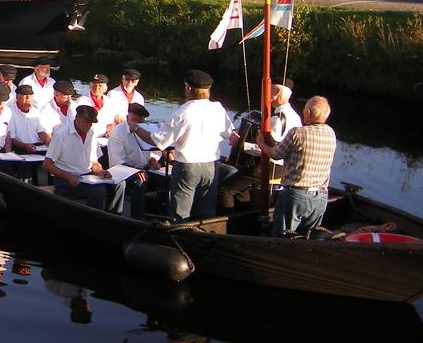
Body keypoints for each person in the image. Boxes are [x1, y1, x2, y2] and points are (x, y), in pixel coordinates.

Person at [143, 70, 234, 222]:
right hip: (211, 165)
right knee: (207, 210)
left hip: (187, 166)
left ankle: (179, 239)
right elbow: (229, 134)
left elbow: (159, 141)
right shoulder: (218, 108)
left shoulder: (183, 113)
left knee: (180, 211)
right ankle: (204, 237)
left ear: (188, 88)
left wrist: (137, 129)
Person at [256, 95, 337, 237]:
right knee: (310, 237)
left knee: (283, 236)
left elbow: (275, 154)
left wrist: (261, 143)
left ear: (308, 113)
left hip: (296, 196)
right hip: (320, 197)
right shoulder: (331, 133)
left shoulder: (297, 133)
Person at [220, 83, 302, 212]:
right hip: (285, 167)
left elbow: (271, 149)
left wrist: (240, 144)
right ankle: (245, 216)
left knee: (225, 189)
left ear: (277, 92)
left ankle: (226, 224)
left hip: (270, 167)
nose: (265, 93)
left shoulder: (277, 120)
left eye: (269, 90)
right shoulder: (295, 116)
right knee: (241, 188)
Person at [43, 105, 125, 213]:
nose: (89, 125)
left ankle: (113, 216)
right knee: (98, 191)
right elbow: (47, 164)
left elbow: (94, 162)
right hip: (65, 180)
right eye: (86, 121)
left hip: (86, 177)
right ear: (77, 118)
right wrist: (68, 177)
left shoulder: (91, 133)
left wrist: (100, 171)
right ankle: (93, 220)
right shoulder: (61, 135)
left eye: (91, 123)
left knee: (119, 184)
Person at [107, 102, 163, 218]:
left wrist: (153, 159)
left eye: (140, 121)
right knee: (140, 180)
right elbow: (117, 163)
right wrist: (136, 171)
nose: (136, 124)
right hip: (124, 171)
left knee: (167, 179)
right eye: (134, 120)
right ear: (127, 118)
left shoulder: (147, 130)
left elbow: (155, 150)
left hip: (146, 168)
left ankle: (159, 214)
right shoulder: (118, 133)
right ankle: (137, 217)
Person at [74, 74, 118, 139]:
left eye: (100, 86)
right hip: (87, 138)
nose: (97, 88)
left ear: (105, 88)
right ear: (90, 86)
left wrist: (112, 126)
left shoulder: (110, 102)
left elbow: (114, 119)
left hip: (106, 138)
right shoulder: (81, 101)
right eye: (94, 85)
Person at [37, 79, 76, 145]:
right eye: (66, 95)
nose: (69, 99)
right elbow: (44, 133)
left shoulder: (74, 106)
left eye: (70, 96)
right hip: (56, 144)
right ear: (56, 94)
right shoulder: (46, 110)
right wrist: (53, 146)